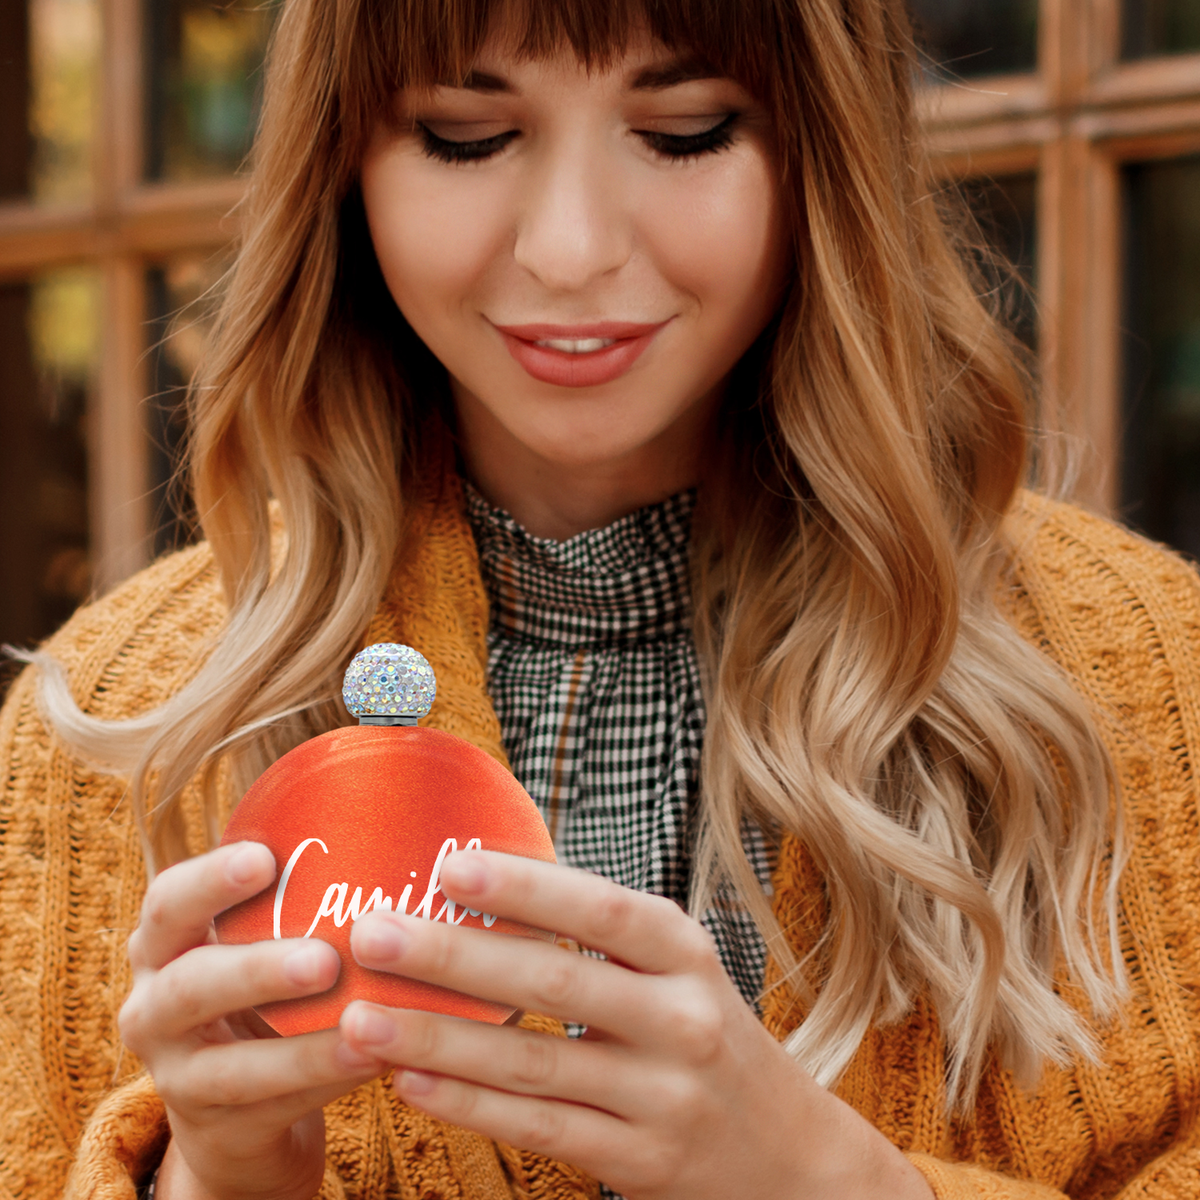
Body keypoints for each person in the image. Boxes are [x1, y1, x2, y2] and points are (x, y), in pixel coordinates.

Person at [3, 0, 1199, 1196]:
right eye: (464, 136)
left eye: (685, 132)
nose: (569, 251)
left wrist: (835, 1181)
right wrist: (214, 1178)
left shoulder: (1160, 679)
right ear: (341, 162)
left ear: (827, 152)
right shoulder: (114, 727)